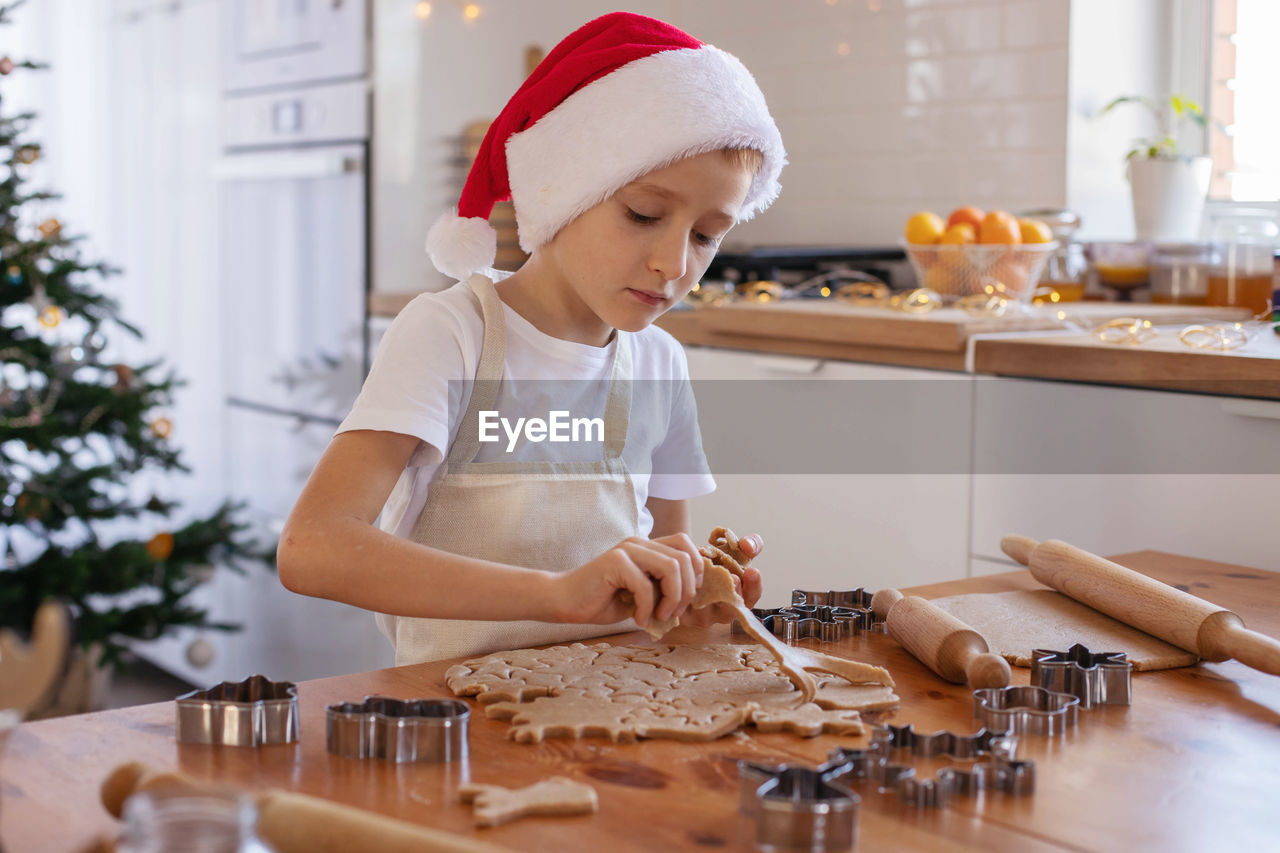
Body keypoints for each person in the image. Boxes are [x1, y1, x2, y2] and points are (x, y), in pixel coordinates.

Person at [278, 11, 787, 665]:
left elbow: (666, 610)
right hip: (454, 730)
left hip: (614, 728)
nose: (674, 264)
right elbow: (312, 546)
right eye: (643, 214)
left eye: (706, 234)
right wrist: (555, 593)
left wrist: (703, 598)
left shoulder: (660, 364)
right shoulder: (453, 335)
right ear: (563, 189)